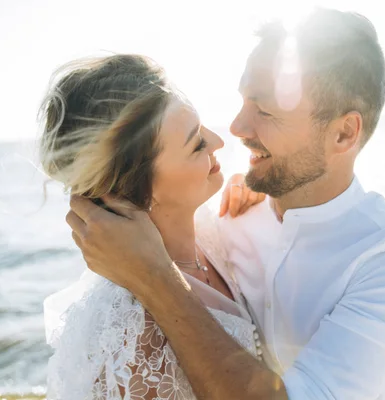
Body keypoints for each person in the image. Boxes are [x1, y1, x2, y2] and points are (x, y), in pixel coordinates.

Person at [67, 8, 385, 400]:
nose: (236, 128)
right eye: (245, 100)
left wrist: (154, 277)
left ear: (343, 133)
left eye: (265, 111)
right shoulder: (224, 223)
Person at [40, 54, 267, 399]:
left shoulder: (212, 236)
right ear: (142, 193)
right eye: (196, 144)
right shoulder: (131, 337)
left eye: (202, 126)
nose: (218, 142)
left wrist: (262, 196)